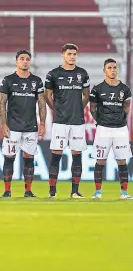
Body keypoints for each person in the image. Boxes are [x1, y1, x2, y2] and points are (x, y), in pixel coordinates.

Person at [0, 50, 46, 198]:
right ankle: (7, 190)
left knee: (29, 158)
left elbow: (42, 103)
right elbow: (2, 103)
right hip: (12, 126)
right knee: (9, 157)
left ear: (30, 62)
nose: (25, 61)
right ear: (16, 61)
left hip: (30, 126)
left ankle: (28, 191)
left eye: (27, 59)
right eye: (22, 59)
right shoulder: (8, 80)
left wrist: (42, 123)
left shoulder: (37, 81)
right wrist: (3, 124)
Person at [45, 43, 90, 199]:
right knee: (56, 155)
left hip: (77, 121)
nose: (72, 57)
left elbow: (86, 95)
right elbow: (47, 95)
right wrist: (56, 109)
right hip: (60, 121)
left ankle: (75, 191)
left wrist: (78, 108)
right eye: (69, 54)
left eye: (74, 54)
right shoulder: (53, 74)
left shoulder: (82, 73)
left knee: (77, 155)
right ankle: (52, 191)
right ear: (63, 54)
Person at [89, 59, 133, 199]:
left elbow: (127, 107)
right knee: (100, 160)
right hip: (103, 129)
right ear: (104, 71)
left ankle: (124, 192)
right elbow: (93, 109)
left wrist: (118, 119)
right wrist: (101, 121)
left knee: (122, 160)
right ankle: (97, 191)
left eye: (115, 67)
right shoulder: (97, 89)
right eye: (110, 68)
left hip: (120, 129)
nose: (113, 70)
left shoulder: (125, 89)